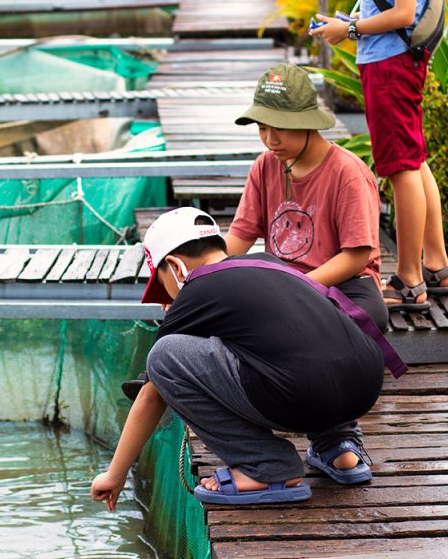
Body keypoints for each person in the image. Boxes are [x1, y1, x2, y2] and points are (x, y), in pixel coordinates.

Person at [90, 207, 385, 508]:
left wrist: (115, 474)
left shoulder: (196, 289)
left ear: (176, 268)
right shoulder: (269, 263)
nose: (168, 300)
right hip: (366, 383)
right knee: (300, 346)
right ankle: (339, 448)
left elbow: (152, 394)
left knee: (163, 357)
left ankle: (265, 466)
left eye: (164, 286)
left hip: (300, 394)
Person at [310, 0, 448, 312]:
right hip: (396, 61)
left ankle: (409, 280)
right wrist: (349, 23)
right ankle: (437, 266)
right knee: (414, 160)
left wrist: (349, 28)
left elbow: (404, 13)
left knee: (401, 167)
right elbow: (399, 7)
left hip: (390, 65)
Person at [225, 62, 389, 331]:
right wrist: (197, 274)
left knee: (369, 315)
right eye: (262, 128)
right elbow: (239, 238)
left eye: (280, 127)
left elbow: (356, 256)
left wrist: (299, 288)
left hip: (343, 282)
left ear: (307, 123)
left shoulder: (347, 172)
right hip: (281, 280)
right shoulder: (264, 166)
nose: (269, 139)